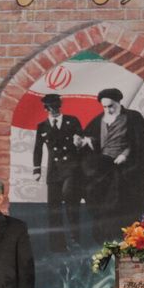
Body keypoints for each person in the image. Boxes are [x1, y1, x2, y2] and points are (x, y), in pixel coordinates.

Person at [74, 88, 144, 243]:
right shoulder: (98, 120)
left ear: (119, 102)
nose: (108, 110)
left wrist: (125, 155)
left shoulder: (133, 117)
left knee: (127, 205)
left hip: (127, 169)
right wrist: (85, 141)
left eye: (111, 106)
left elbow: (140, 143)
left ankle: (132, 239)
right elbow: (91, 142)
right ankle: (106, 239)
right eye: (105, 107)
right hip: (104, 171)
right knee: (103, 203)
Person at [32, 94, 83, 252]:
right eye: (50, 108)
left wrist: (79, 140)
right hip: (53, 170)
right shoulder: (42, 126)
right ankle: (57, 245)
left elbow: (81, 138)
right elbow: (38, 149)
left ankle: (75, 240)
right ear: (45, 109)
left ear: (59, 106)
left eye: (55, 107)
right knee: (53, 208)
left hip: (72, 168)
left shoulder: (72, 121)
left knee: (70, 200)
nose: (53, 111)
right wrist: (37, 169)